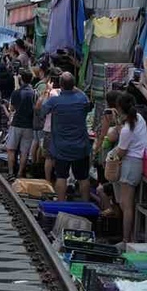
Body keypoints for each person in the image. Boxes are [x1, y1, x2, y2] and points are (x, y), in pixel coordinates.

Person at [40, 72, 92, 202]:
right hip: (80, 147)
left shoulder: (55, 101)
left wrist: (48, 91)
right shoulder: (81, 99)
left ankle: (61, 203)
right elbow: (88, 102)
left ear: (60, 85)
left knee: (61, 177)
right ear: (73, 85)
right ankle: (85, 204)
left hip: (60, 147)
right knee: (83, 178)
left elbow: (42, 111)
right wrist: (76, 89)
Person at [111, 93, 147, 244]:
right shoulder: (140, 119)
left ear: (119, 108)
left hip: (130, 164)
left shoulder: (127, 129)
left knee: (126, 204)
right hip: (138, 162)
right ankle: (129, 238)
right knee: (128, 203)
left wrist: (112, 155)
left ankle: (126, 240)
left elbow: (121, 151)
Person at [6, 70, 35, 181]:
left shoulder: (16, 92)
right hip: (29, 125)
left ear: (21, 79)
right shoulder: (34, 93)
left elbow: (12, 108)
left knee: (11, 149)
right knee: (24, 151)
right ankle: (20, 173)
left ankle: (10, 173)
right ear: (31, 80)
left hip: (17, 123)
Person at [35, 67, 61, 183]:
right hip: (62, 129)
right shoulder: (65, 92)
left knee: (49, 157)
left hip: (50, 128)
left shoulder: (52, 93)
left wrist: (46, 91)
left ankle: (48, 180)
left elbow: (42, 109)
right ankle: (56, 179)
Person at [31, 64, 50, 164]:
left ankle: (33, 162)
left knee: (36, 141)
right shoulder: (43, 86)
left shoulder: (38, 84)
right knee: (39, 143)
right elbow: (42, 103)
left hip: (36, 117)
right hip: (41, 118)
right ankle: (36, 164)